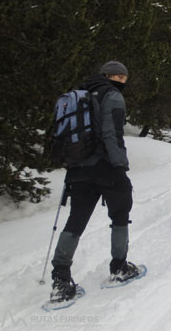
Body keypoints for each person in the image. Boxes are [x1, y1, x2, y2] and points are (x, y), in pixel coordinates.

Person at [49, 61, 142, 304]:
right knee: (121, 211)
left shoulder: (79, 94)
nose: (123, 82)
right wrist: (120, 165)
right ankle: (119, 266)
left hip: (77, 167)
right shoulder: (112, 96)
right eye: (121, 78)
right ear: (113, 77)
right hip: (106, 166)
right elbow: (113, 134)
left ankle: (60, 277)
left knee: (76, 218)